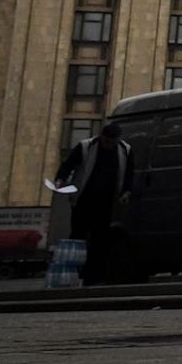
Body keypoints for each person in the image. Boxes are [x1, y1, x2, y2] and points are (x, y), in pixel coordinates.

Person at [53, 121, 132, 285]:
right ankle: (71, 274)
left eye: (113, 142)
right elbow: (68, 165)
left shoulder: (125, 150)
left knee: (100, 239)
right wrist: (60, 180)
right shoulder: (86, 147)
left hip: (107, 201)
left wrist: (126, 191)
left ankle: (94, 276)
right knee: (78, 235)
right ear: (101, 137)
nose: (109, 145)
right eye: (107, 141)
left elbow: (129, 174)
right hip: (84, 199)